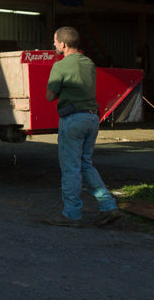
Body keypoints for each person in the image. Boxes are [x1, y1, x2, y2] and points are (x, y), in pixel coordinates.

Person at [42, 26, 121, 227]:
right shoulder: (89, 63)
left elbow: (50, 96)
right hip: (92, 118)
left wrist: (62, 88)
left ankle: (71, 214)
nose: (54, 44)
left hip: (73, 120)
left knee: (70, 168)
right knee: (85, 164)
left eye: (55, 41)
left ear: (63, 44)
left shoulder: (61, 66)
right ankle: (108, 205)